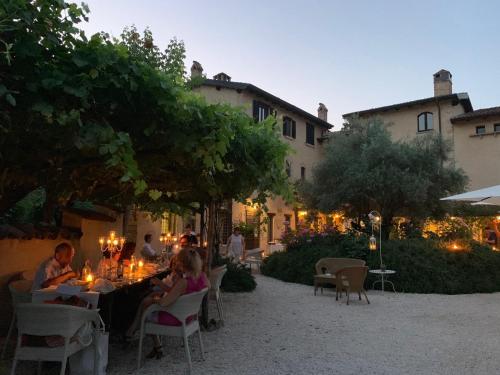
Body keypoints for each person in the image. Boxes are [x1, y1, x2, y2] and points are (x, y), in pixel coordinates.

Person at [144, 247, 209, 360]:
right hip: (190, 316)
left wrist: (155, 299)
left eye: (178, 261)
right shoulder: (201, 277)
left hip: (175, 318)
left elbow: (164, 303)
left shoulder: (183, 282)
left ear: (182, 263)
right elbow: (208, 287)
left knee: (147, 313)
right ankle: (157, 346)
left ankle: (157, 345)